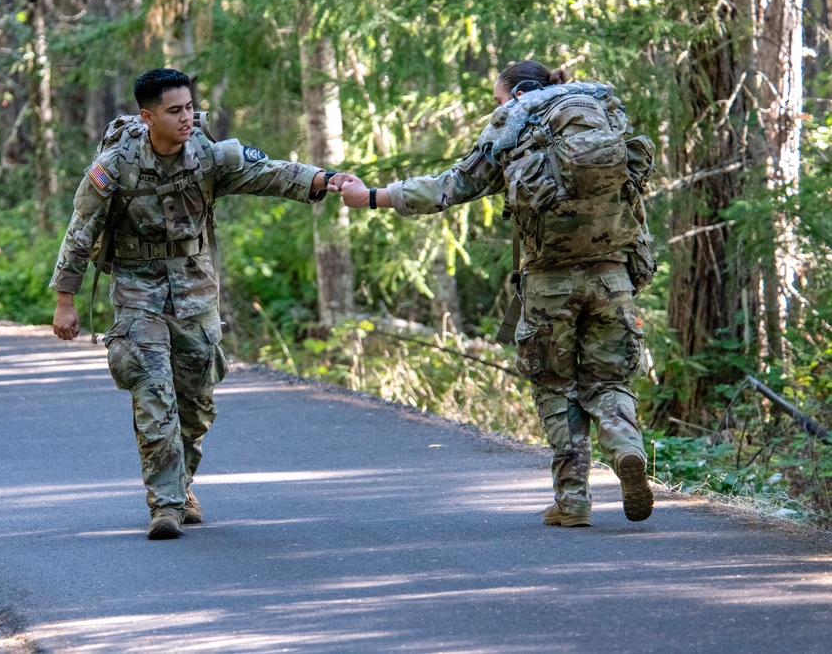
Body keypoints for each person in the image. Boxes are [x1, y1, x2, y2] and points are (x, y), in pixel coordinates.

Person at [332, 61, 655, 527]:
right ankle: (626, 448)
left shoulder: (515, 131)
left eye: (500, 99)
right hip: (613, 278)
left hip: (549, 284)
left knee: (556, 387)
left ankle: (573, 501)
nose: (499, 108)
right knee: (609, 382)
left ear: (519, 91)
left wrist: (375, 196)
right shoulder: (605, 118)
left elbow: (451, 186)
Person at [50, 68, 340, 539]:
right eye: (174, 110)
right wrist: (66, 300)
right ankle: (164, 505)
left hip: (194, 288)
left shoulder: (207, 155)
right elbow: (80, 228)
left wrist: (322, 180)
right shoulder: (116, 164)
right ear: (148, 117)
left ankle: (181, 484)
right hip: (137, 289)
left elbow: (266, 173)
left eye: (189, 107)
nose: (187, 117)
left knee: (197, 398)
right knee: (153, 390)